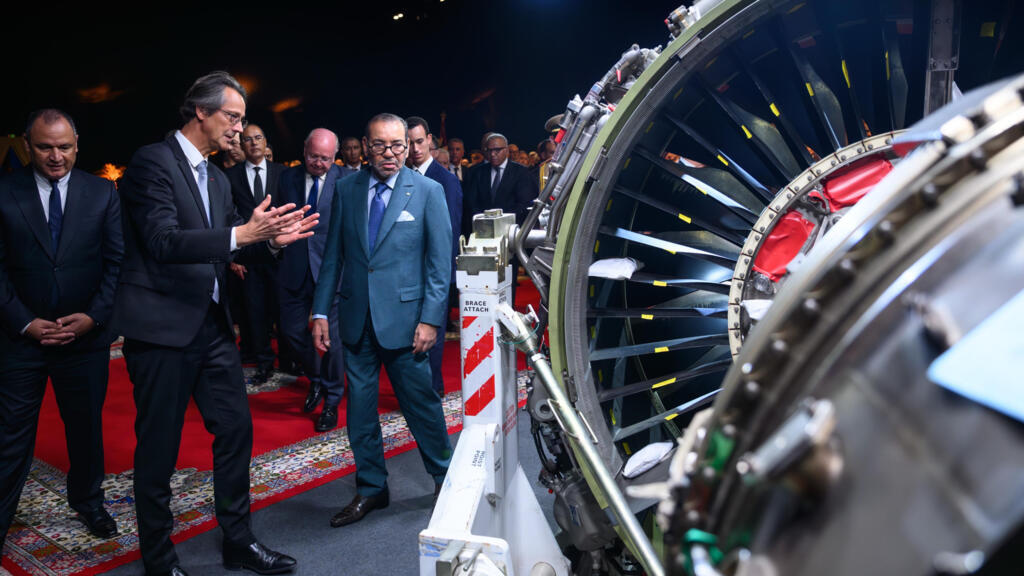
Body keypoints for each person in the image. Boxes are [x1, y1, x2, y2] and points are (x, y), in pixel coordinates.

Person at [112, 71, 314, 576]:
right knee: (159, 448)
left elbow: (234, 244)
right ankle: (159, 561)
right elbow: (162, 241)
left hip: (214, 329)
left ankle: (238, 541)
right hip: (161, 330)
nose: (240, 129)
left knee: (236, 431)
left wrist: (268, 242)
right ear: (200, 112)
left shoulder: (218, 177)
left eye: (244, 120)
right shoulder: (151, 162)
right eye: (233, 117)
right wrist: (242, 233)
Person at [311, 113, 452, 527]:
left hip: (409, 325)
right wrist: (321, 310)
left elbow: (439, 265)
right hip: (357, 320)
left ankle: (446, 480)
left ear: (408, 148)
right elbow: (334, 255)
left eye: (396, 146)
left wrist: (430, 319)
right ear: (365, 147)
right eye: (379, 145)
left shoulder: (428, 191)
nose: (388, 154)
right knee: (360, 411)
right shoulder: (348, 188)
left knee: (422, 407)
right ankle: (372, 487)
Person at [0, 109, 123, 548]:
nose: (56, 156)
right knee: (10, 436)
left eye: (64, 147)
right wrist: (27, 323)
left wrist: (92, 317)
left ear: (77, 146)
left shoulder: (103, 193)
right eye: (45, 147)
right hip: (20, 342)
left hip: (84, 339)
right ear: (28, 147)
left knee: (85, 429)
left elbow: (116, 264)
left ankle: (89, 503)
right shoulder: (4, 191)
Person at [276, 128, 346, 431]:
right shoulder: (286, 178)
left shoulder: (345, 180)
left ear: (335, 157)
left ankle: (331, 399)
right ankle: (315, 378)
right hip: (294, 265)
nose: (318, 163)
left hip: (331, 270)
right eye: (313, 156)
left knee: (331, 340)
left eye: (325, 158)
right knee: (291, 332)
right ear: (304, 150)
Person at [405, 116, 462, 396]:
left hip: (432, 274)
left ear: (430, 140)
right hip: (405, 274)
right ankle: (417, 391)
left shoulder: (446, 181)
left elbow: (448, 236)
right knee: (410, 337)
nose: (415, 148)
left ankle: (433, 393)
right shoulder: (401, 176)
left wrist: (443, 279)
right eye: (408, 143)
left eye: (419, 141)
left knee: (432, 337)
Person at [226, 123, 284, 383]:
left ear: (265, 141)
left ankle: (289, 359)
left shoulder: (282, 173)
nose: (253, 143)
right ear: (241, 145)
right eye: (247, 140)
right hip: (249, 256)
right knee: (255, 312)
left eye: (258, 138)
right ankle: (264, 363)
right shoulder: (231, 176)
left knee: (282, 310)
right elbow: (229, 217)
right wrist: (235, 257)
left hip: (280, 254)